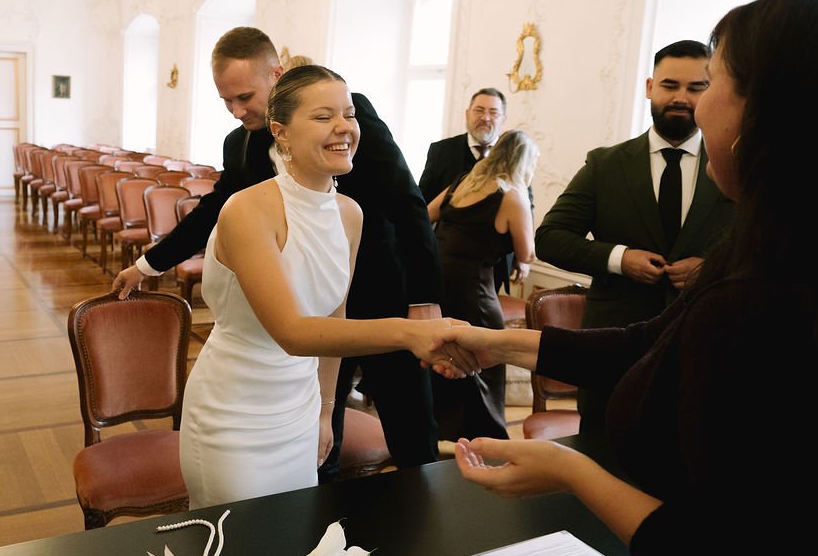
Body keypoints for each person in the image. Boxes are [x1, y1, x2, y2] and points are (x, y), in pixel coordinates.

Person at [443, 0, 818, 556]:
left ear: (760, 111)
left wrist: (566, 469)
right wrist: (496, 343)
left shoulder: (756, 300)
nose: (693, 102)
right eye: (676, 85)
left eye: (711, 82)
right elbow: (645, 341)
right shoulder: (761, 244)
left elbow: (724, 550)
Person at [113, 27, 445, 481]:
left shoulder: (348, 123)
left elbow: (406, 201)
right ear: (280, 133)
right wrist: (149, 263)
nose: (236, 111)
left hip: (376, 291)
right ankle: (326, 525)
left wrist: (422, 300)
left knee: (411, 431)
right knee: (323, 445)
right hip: (289, 317)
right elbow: (214, 210)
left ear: (276, 73)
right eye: (226, 102)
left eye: (244, 96)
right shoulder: (243, 144)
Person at [178, 65, 470, 508]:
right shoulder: (247, 211)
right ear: (282, 133)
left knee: (292, 546)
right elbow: (294, 333)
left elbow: (334, 317)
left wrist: (326, 410)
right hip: (235, 412)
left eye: (349, 114)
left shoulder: (350, 214)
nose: (344, 128)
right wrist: (411, 333)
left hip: (300, 408)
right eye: (322, 117)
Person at [535, 39, 735, 431]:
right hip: (613, 352)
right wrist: (619, 258)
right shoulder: (605, 164)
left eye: (697, 87)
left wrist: (713, 268)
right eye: (669, 85)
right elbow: (550, 236)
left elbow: (767, 244)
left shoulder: (734, 164)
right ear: (649, 87)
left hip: (707, 349)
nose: (681, 97)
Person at [426, 129, 539, 441]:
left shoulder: (462, 183)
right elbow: (527, 250)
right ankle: (483, 434)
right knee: (486, 357)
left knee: (445, 352)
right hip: (475, 290)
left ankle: (442, 427)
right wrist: (522, 261)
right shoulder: (512, 196)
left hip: (438, 284)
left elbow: (426, 214)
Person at [418, 88, 525, 294]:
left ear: (503, 118)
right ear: (467, 114)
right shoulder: (441, 150)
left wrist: (523, 258)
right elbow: (423, 199)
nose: (485, 118)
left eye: (493, 112)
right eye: (479, 110)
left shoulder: (513, 156)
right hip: (446, 260)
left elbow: (525, 204)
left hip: (495, 264)